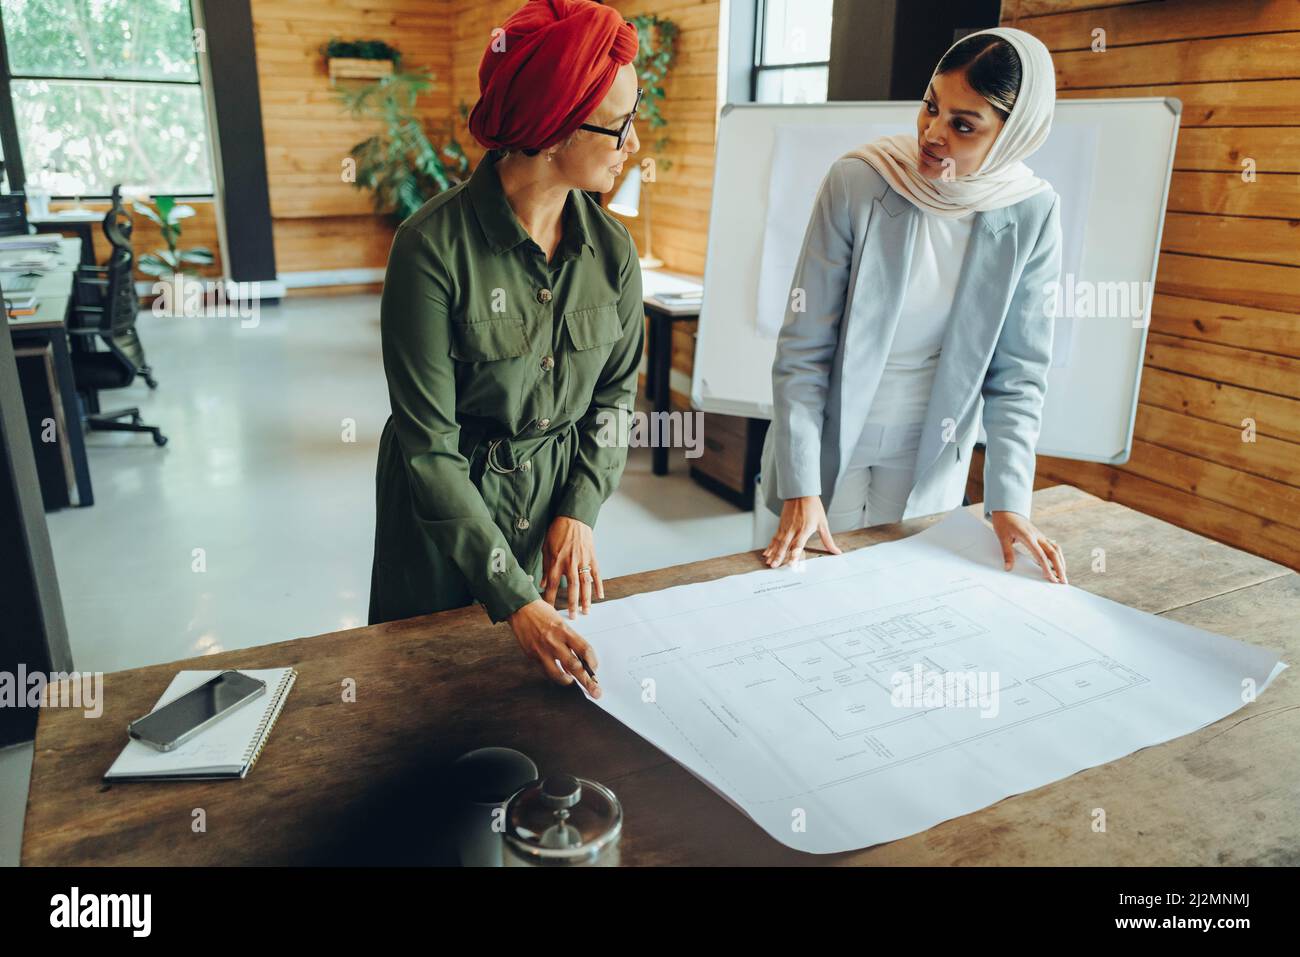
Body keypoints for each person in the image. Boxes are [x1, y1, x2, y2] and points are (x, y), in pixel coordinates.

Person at [368, 0, 646, 698]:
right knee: (426, 703)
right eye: (620, 127)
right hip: (444, 523)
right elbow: (427, 446)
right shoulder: (429, 251)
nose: (634, 145)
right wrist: (512, 595)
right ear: (554, 131)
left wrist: (580, 505)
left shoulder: (611, 252)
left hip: (550, 504)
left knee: (534, 715)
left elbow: (614, 394)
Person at [759, 26, 1069, 586]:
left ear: (1011, 136)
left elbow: (1019, 375)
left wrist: (1010, 500)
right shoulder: (859, 181)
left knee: (894, 603)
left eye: (963, 124)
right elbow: (804, 349)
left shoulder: (1031, 213)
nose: (932, 132)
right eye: (931, 106)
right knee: (798, 598)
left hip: (928, 448)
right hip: (829, 439)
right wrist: (801, 486)